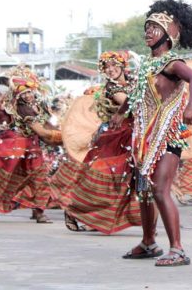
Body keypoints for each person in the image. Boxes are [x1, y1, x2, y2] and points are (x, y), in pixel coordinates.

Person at [118, 0, 192, 267]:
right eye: (147, 27)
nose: (148, 32)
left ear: (168, 35)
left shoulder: (171, 62)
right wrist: (118, 118)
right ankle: (148, 242)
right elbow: (137, 101)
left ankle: (177, 248)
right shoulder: (146, 65)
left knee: (159, 189)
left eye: (154, 28)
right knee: (143, 189)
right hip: (145, 137)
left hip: (168, 136)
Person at [57, 50, 141, 234]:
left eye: (114, 65)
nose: (110, 70)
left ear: (122, 66)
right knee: (105, 179)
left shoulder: (135, 82)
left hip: (137, 135)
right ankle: (73, 210)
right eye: (106, 67)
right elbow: (129, 102)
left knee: (133, 180)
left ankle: (145, 223)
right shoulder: (112, 88)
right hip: (117, 136)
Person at [0, 66, 61, 223]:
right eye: (25, 92)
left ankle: (39, 211)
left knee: (40, 179)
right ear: (17, 92)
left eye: (31, 92)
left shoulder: (39, 106)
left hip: (32, 148)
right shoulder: (8, 107)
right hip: (9, 148)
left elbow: (49, 126)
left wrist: (64, 133)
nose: (29, 95)